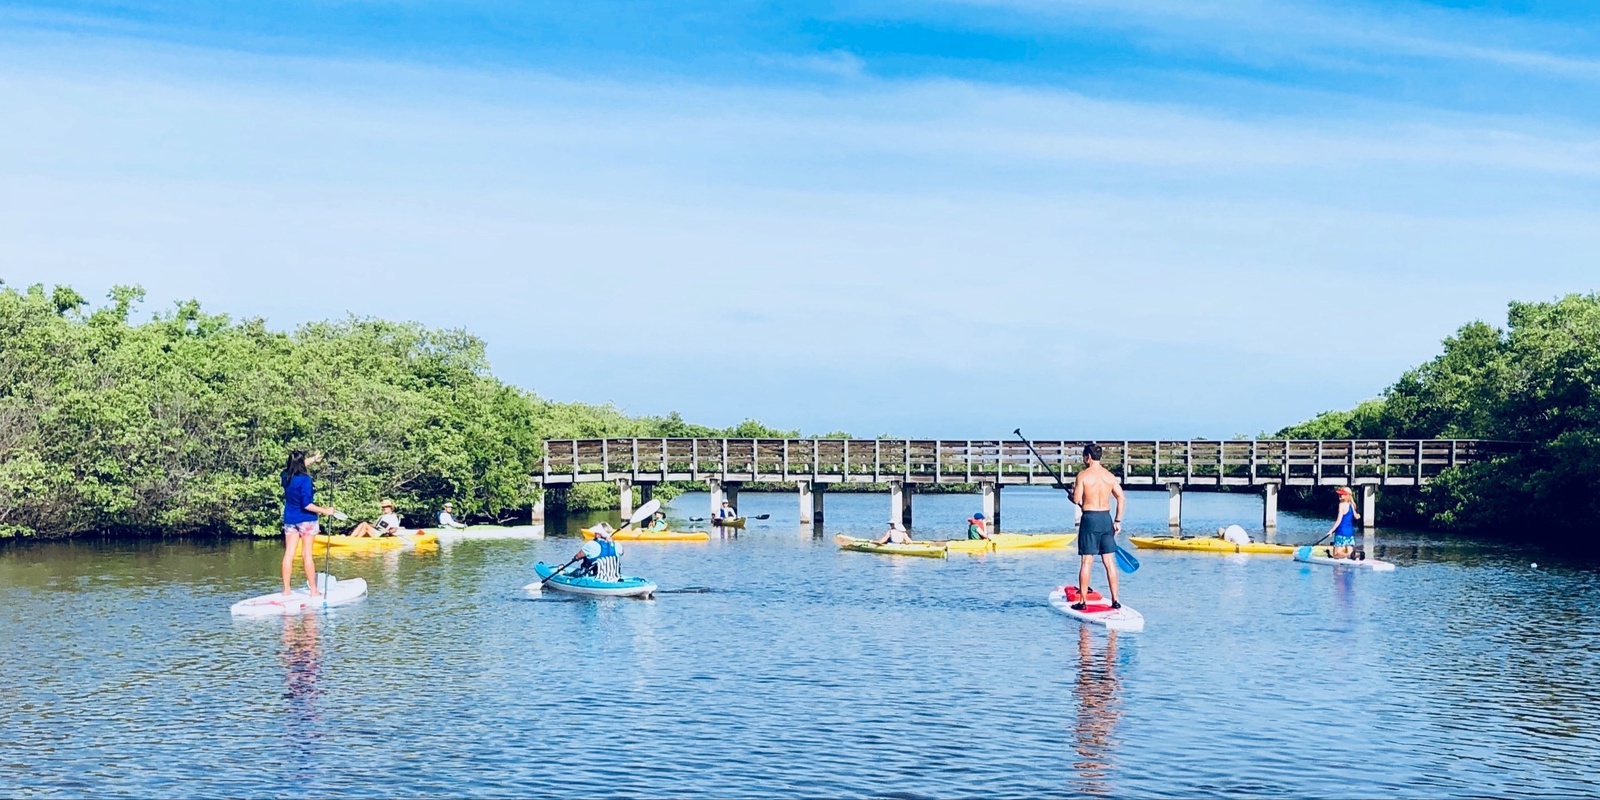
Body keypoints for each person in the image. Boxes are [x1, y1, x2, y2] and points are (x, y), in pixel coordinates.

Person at [280, 450, 344, 597]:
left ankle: (286, 590)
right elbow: (307, 505)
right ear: (301, 463)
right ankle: (314, 590)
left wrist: (314, 459)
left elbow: (297, 465)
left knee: (289, 554)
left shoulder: (285, 476)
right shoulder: (305, 480)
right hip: (307, 520)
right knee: (306, 554)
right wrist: (326, 511)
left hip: (290, 520)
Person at [1071, 443, 1126, 611]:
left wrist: (1072, 496)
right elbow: (1121, 498)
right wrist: (1117, 521)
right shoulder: (1110, 476)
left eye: (1083, 457)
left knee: (1087, 561)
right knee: (1109, 562)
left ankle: (1082, 602)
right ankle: (1115, 600)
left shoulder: (1083, 476)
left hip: (1090, 518)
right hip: (1106, 519)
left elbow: (1076, 499)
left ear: (1088, 457)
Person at [1327, 486, 1361, 558]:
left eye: (1342, 494)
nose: (1339, 495)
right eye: (1339, 494)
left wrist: (1331, 531)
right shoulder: (1351, 505)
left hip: (1341, 532)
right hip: (1350, 532)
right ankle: (1355, 554)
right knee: (1350, 551)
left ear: (1347, 495)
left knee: (1336, 554)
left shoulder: (1341, 505)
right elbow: (1356, 516)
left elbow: (1339, 521)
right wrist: (1358, 515)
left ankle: (1349, 555)